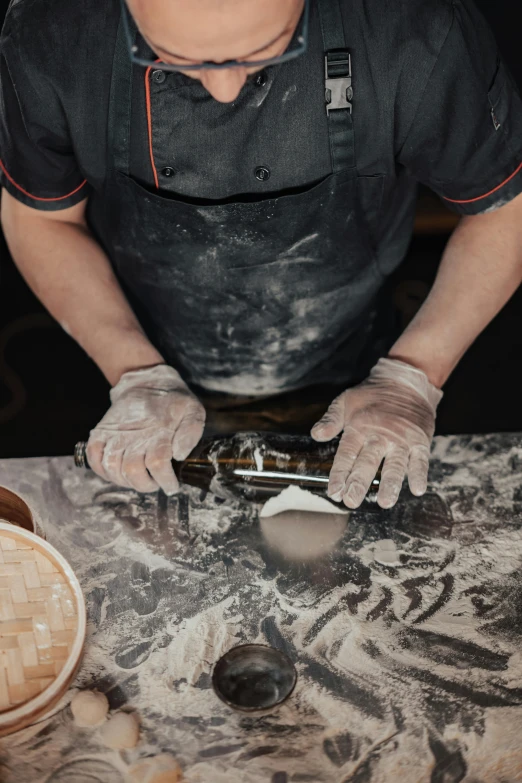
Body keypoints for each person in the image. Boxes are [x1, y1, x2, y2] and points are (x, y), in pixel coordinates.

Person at [1, 0, 522, 509]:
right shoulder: (54, 29)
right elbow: (42, 220)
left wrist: (412, 376)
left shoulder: (411, 24)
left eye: (269, 50)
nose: (225, 91)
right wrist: (133, 372)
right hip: (138, 330)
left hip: (354, 345)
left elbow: (506, 211)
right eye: (176, 59)